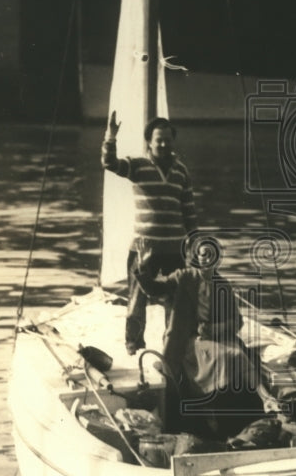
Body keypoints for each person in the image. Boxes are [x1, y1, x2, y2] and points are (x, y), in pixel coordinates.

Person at [133, 239, 265, 437]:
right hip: (186, 340)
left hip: (214, 338)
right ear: (198, 257)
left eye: (211, 255)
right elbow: (155, 290)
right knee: (232, 355)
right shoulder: (184, 277)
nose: (206, 259)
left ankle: (260, 403)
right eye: (203, 254)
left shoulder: (222, 285)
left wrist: (216, 328)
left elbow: (237, 321)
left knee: (244, 355)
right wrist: (143, 269)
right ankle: (256, 399)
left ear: (218, 260)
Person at [102, 111, 198, 354]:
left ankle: (173, 345)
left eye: (168, 139)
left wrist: (195, 242)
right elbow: (110, 164)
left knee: (175, 301)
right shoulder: (138, 165)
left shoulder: (181, 171)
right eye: (159, 140)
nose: (164, 144)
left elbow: (188, 210)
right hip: (143, 249)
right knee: (137, 299)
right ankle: (134, 343)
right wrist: (110, 138)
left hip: (175, 249)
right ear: (149, 142)